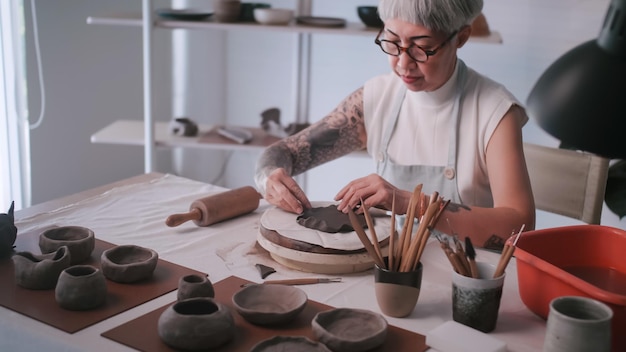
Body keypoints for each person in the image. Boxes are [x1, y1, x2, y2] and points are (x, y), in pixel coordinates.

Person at [254, 0, 535, 250]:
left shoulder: (495, 112)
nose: (402, 63)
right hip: (393, 267)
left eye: (422, 48)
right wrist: (268, 176)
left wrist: (410, 203)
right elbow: (285, 153)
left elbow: (520, 226)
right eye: (392, 42)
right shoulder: (377, 98)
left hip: (466, 279)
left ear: (461, 37)